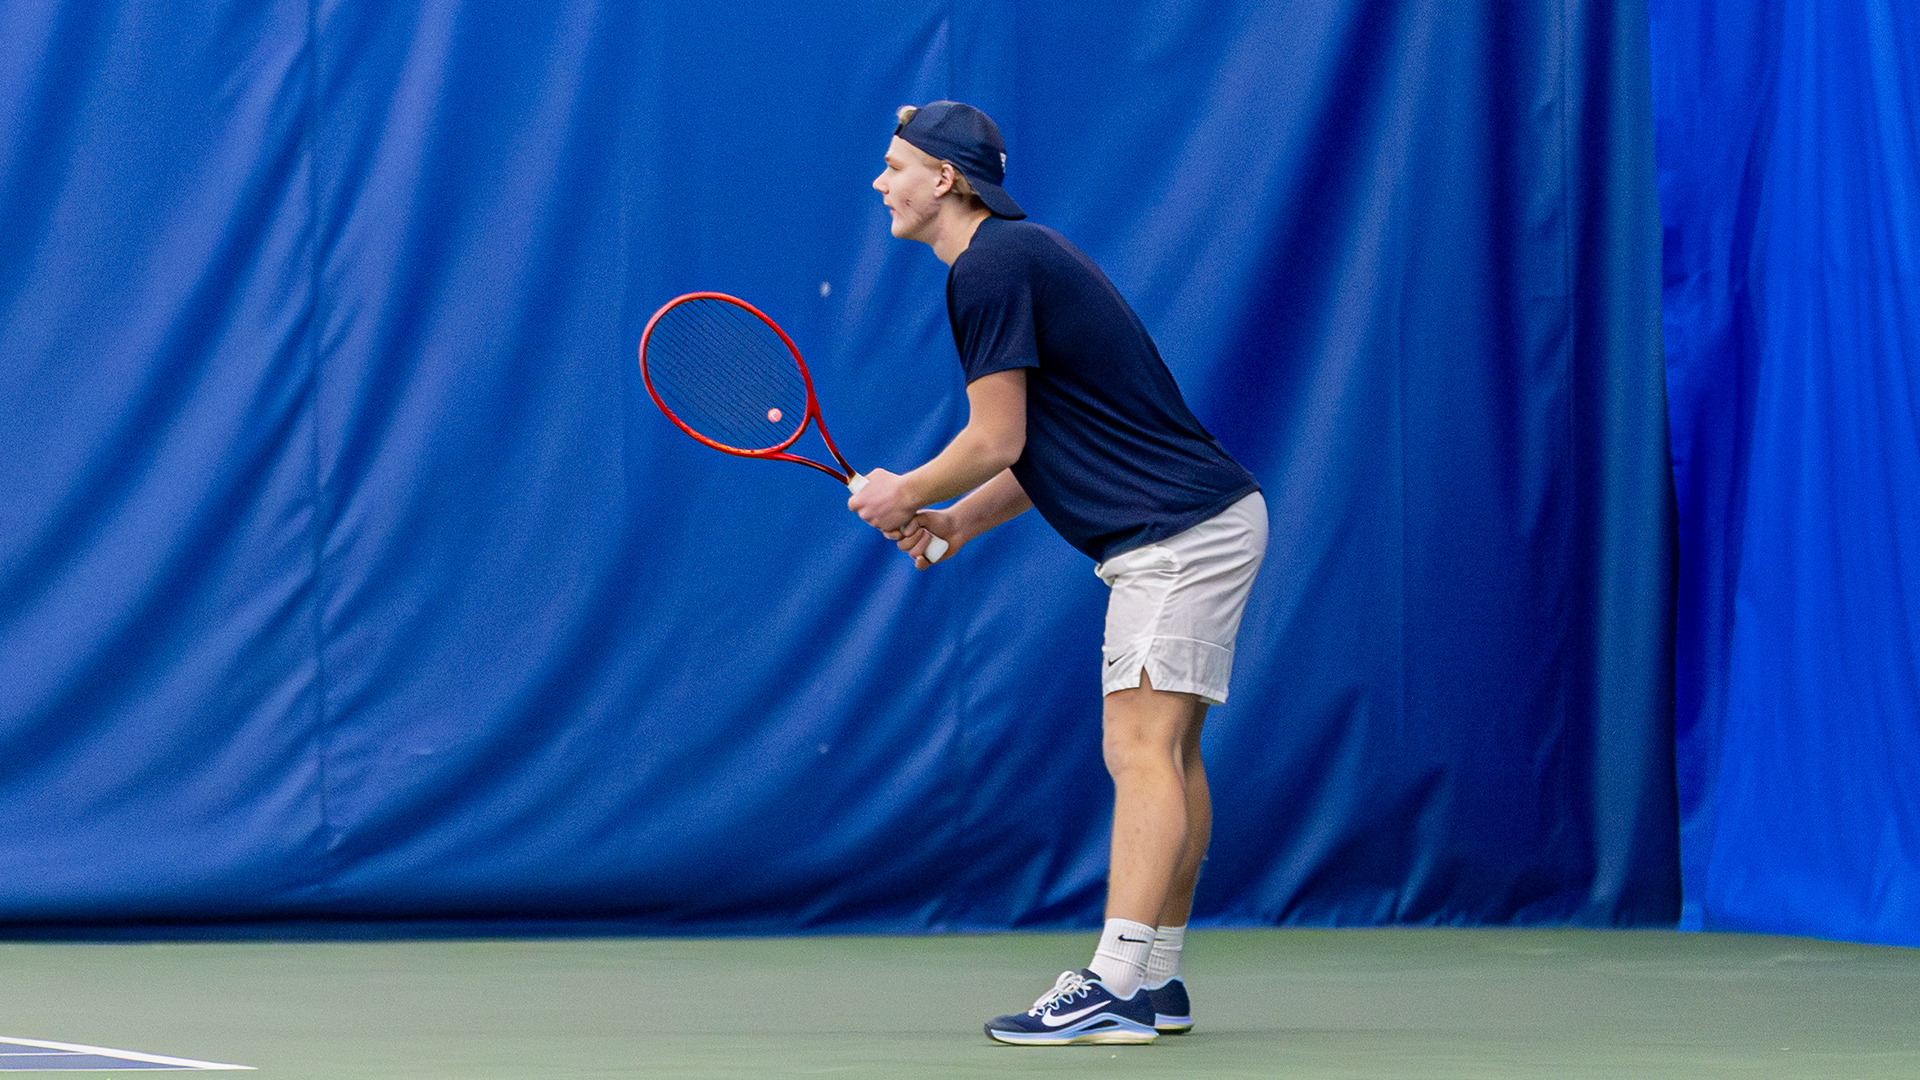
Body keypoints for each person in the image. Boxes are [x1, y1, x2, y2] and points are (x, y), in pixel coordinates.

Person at [849, 100, 1267, 1046]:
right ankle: (1155, 979)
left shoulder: (989, 266)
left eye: (896, 166)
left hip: (1178, 535)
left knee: (1140, 749)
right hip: (1202, 522)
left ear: (945, 179)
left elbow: (996, 436)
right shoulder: (1015, 257)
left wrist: (903, 489)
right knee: (1170, 752)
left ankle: (1113, 982)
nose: (881, 183)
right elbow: (1047, 443)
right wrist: (955, 521)